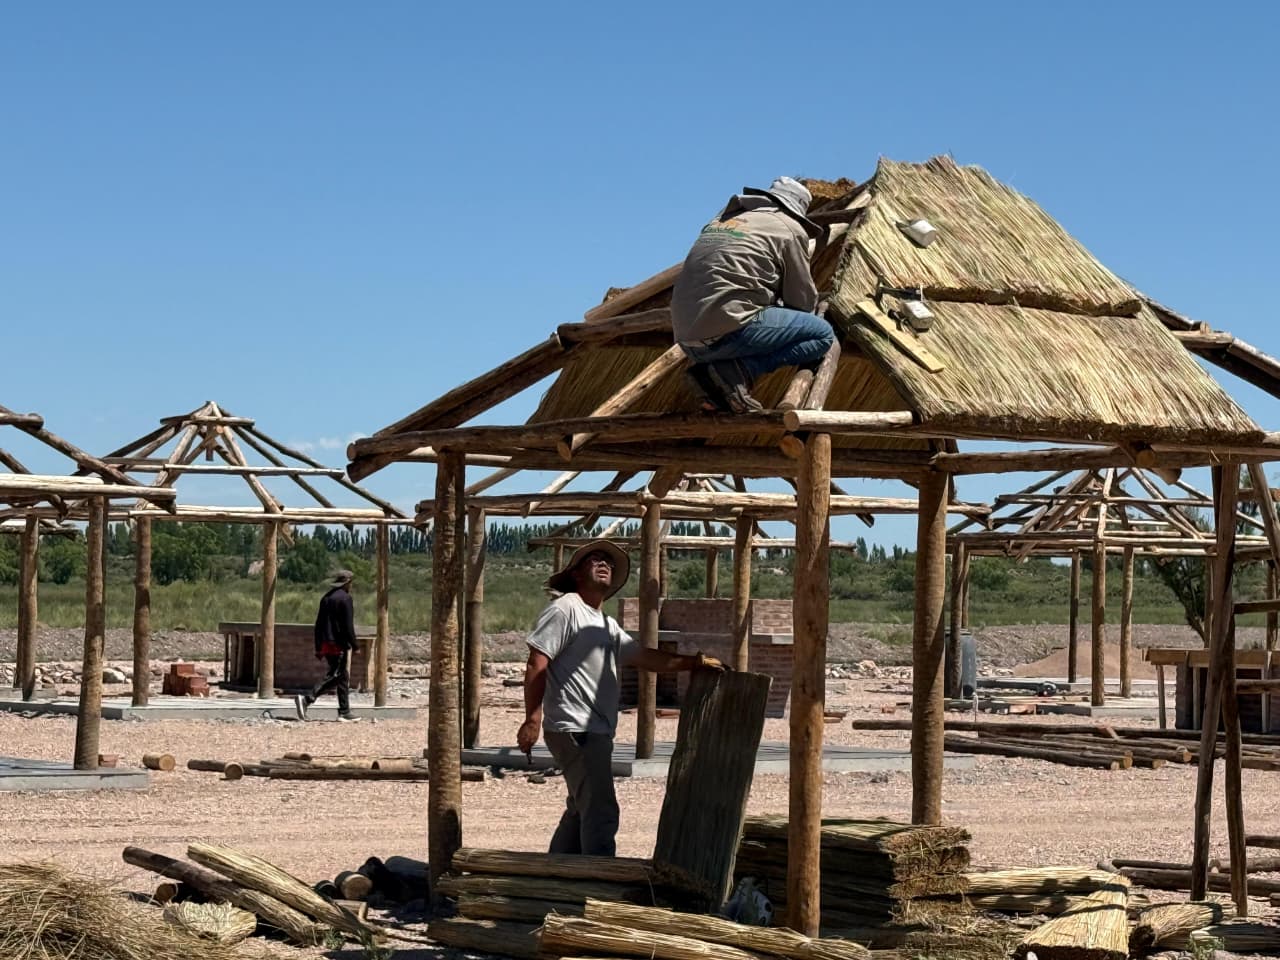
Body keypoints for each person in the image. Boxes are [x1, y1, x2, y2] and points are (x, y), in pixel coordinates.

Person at [516, 539, 726, 856]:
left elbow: (643, 656)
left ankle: (558, 876)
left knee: (581, 807)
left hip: (594, 730)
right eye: (594, 559)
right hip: (577, 728)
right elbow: (537, 663)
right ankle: (598, 889)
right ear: (575, 574)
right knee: (601, 813)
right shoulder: (565, 609)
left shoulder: (606, 624)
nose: (604, 564)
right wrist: (532, 718)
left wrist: (691, 662)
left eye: (609, 563)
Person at [671, 175, 835, 414]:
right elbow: (801, 302)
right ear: (794, 209)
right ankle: (741, 370)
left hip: (686, 340)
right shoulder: (790, 228)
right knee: (822, 335)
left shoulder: (722, 220)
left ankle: (717, 382)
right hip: (728, 330)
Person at [295, 569, 360, 721]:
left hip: (326, 642)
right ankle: (307, 699)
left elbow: (318, 624)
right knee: (336, 675)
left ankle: (344, 711)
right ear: (348, 583)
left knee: (342, 676)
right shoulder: (345, 599)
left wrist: (318, 646)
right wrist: (355, 645)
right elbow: (347, 626)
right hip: (338, 643)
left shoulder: (326, 598)